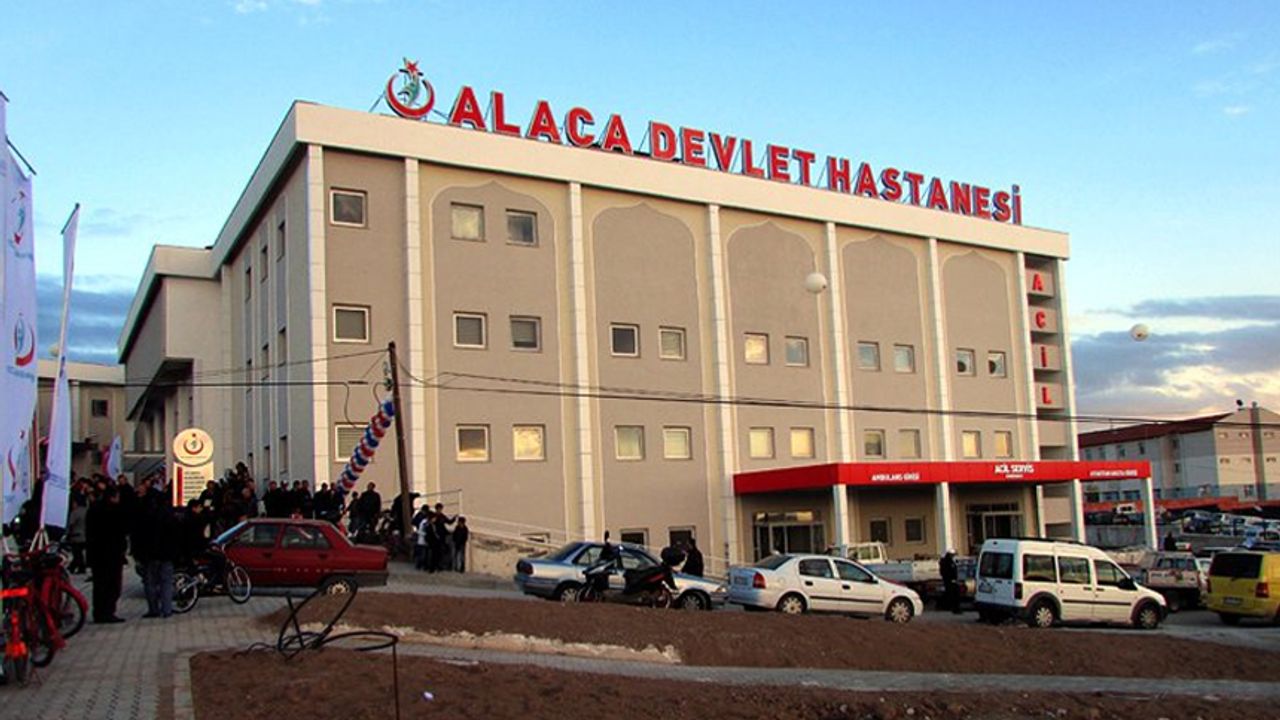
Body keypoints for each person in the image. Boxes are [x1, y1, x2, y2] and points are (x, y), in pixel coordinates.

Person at [86, 486, 129, 623]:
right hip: (112, 554)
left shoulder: (93, 509)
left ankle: (99, 612)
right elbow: (121, 531)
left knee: (99, 585)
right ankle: (108, 612)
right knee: (112, 585)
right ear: (113, 497)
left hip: (97, 554)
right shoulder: (115, 511)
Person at [66, 496, 89, 574]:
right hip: (86, 535)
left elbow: (71, 524)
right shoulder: (87, 511)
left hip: (76, 536)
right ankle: (75, 566)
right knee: (79, 553)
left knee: (77, 553)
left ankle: (78, 567)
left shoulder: (75, 512)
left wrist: (67, 534)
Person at [939, 549, 961, 615]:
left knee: (952, 594)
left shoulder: (951, 561)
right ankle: (954, 608)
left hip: (951, 580)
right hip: (950, 581)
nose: (953, 556)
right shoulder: (947, 562)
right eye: (952, 555)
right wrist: (951, 579)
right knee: (953, 594)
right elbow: (947, 571)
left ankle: (953, 607)